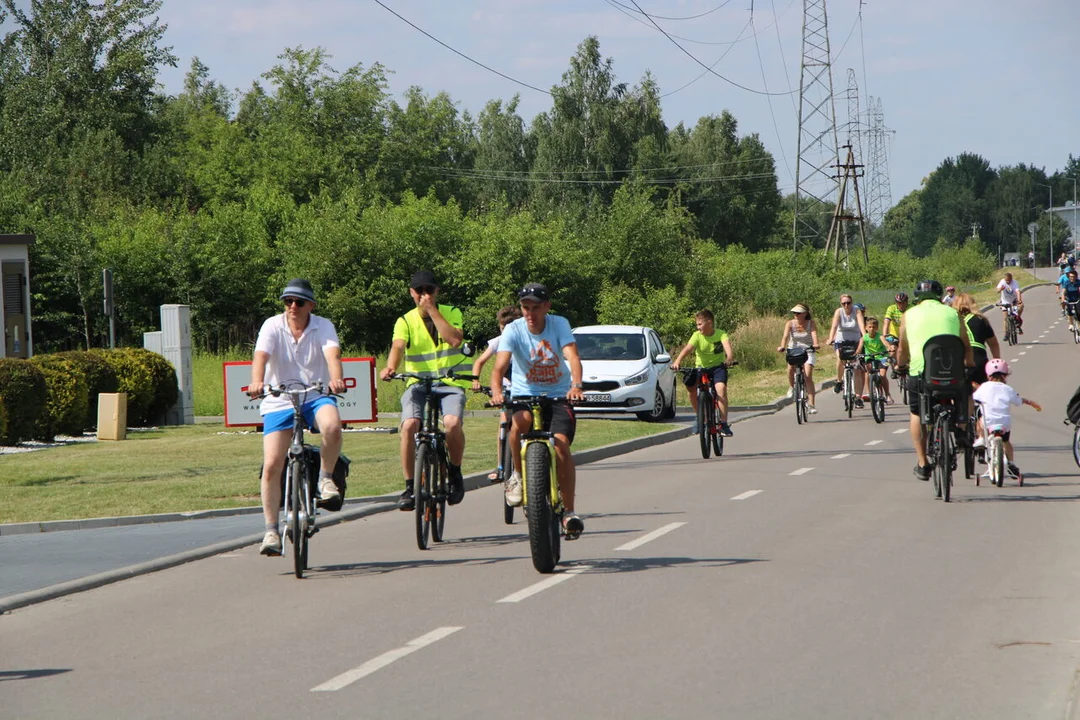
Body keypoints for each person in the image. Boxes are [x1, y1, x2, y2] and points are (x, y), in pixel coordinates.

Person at [249, 279, 346, 556]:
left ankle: (325, 479)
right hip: (279, 398)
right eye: (288, 301)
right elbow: (261, 357)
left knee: (332, 426)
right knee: (271, 465)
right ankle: (271, 531)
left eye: (299, 302)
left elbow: (332, 355)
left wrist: (336, 379)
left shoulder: (323, 325)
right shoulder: (272, 325)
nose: (292, 306)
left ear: (310, 306)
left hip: (315, 394)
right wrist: (257, 383)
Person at [489, 283, 586, 538]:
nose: (529, 313)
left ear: (546, 307)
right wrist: (498, 392)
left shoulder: (559, 324)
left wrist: (576, 386)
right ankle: (518, 476)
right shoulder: (513, 329)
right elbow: (499, 367)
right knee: (519, 423)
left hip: (558, 394)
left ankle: (569, 512)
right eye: (525, 308)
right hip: (524, 394)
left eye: (535, 308)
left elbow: (572, 356)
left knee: (561, 446)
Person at [380, 270, 471, 511]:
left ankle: (455, 472)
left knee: (451, 423)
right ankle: (410, 486)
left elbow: (454, 340)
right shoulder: (405, 320)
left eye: (428, 290)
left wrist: (432, 310)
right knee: (410, 425)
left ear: (436, 291)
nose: (424, 295)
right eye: (419, 291)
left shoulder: (452, 312)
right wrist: (390, 367)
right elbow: (398, 346)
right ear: (411, 292)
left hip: (450, 383)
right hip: (418, 383)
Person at [896, 279, 974, 481]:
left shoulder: (908, 315)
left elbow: (902, 349)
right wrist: (970, 364)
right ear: (940, 296)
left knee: (916, 413)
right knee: (965, 393)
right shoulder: (952, 312)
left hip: (921, 375)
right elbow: (966, 344)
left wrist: (900, 365)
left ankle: (922, 463)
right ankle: (962, 430)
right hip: (953, 374)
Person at [471, 305, 523, 490]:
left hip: (523, 388)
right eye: (502, 327)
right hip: (506, 389)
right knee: (503, 422)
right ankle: (501, 465)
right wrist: (475, 380)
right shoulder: (498, 342)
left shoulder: (524, 340)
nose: (504, 331)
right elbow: (479, 361)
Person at [972, 359, 1041, 480]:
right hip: (1004, 423)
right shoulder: (1008, 389)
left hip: (988, 422)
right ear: (1005, 375)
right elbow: (1018, 401)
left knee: (979, 420)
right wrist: (1029, 402)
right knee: (1006, 442)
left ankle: (982, 439)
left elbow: (975, 398)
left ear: (988, 375)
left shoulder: (984, 387)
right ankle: (1011, 463)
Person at [671, 309, 736, 436]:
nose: (698, 327)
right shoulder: (697, 336)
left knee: (721, 389)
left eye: (700, 324)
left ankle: (723, 424)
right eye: (697, 324)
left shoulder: (720, 334)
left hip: (718, 368)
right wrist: (677, 361)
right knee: (691, 389)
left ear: (709, 322)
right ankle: (700, 417)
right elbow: (688, 349)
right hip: (700, 368)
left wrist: (729, 358)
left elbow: (727, 346)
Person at [777, 304, 819, 413]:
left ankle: (811, 405)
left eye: (798, 313)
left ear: (805, 314)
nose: (795, 315)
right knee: (790, 368)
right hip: (794, 350)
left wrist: (815, 344)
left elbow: (814, 335)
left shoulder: (811, 323)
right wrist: (782, 346)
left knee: (808, 376)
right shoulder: (790, 323)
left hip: (808, 350)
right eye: (794, 313)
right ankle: (792, 387)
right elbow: (785, 336)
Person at [825, 293, 866, 406]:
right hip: (841, 339)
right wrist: (830, 338)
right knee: (840, 360)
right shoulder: (839, 312)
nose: (846, 305)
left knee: (857, 368)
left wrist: (865, 336)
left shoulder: (856, 310)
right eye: (844, 303)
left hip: (855, 339)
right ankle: (839, 381)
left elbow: (861, 325)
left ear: (852, 302)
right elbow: (834, 326)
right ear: (841, 304)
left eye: (848, 303)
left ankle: (858, 397)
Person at [856, 317, 893, 405]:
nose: (871, 329)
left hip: (883, 357)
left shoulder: (880, 336)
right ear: (866, 328)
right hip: (870, 357)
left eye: (873, 327)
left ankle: (887, 394)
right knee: (869, 371)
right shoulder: (864, 338)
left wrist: (889, 348)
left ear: (877, 328)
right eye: (869, 327)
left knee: (883, 375)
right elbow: (860, 347)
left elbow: (885, 343)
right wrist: (857, 353)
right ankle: (874, 390)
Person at [883, 292, 908, 364]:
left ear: (907, 302)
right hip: (894, 335)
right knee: (893, 350)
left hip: (906, 335)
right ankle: (894, 368)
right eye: (899, 303)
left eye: (903, 303)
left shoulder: (910, 308)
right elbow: (886, 323)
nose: (901, 305)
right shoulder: (892, 308)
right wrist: (885, 336)